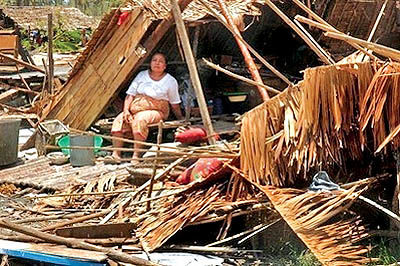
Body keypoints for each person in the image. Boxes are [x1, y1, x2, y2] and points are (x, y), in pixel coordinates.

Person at [110, 53, 184, 163]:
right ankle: (116, 154)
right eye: (154, 60)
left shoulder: (170, 81)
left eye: (160, 61)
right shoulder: (142, 75)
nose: (157, 63)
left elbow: (174, 103)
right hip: (134, 108)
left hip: (156, 110)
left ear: (165, 66)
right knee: (119, 120)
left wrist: (180, 118)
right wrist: (126, 111)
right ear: (150, 63)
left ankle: (136, 155)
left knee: (140, 120)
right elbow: (130, 94)